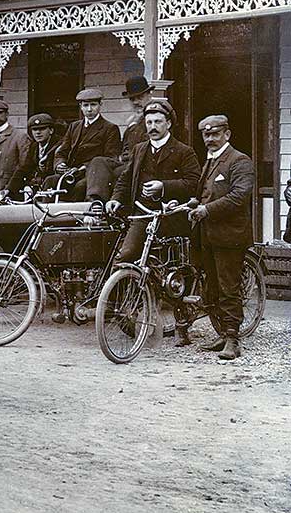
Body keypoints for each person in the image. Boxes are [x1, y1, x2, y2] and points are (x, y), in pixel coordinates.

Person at [107, 100, 200, 320]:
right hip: (144, 215)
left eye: (158, 121)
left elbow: (194, 182)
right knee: (126, 255)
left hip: (172, 216)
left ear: (168, 123)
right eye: (148, 122)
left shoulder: (183, 151)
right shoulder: (140, 149)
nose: (152, 127)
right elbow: (125, 178)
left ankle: (182, 322)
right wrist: (115, 199)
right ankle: (118, 309)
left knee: (178, 269)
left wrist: (164, 186)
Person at [188, 114, 256, 360]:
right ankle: (221, 333)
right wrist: (195, 202)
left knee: (229, 288)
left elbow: (239, 196)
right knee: (213, 288)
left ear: (227, 134)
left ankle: (233, 340)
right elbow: (207, 193)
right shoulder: (210, 162)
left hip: (229, 237)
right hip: (207, 236)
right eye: (206, 135)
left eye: (215, 134)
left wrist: (206, 209)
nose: (210, 139)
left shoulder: (240, 161)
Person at [52, 87, 122, 207]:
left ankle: (80, 217)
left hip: (93, 174)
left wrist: (84, 168)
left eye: (93, 105)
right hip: (71, 172)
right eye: (85, 105)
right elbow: (62, 152)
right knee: (51, 181)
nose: (89, 109)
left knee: (80, 187)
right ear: (81, 106)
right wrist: (60, 164)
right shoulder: (74, 127)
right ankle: (47, 219)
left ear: (100, 105)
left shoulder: (110, 128)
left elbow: (110, 158)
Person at [0, 99, 34, 207]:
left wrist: (10, 188)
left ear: (7, 114)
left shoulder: (19, 136)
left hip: (7, 190)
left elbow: (24, 166)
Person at [27, 113, 59, 191]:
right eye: (34, 129)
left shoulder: (59, 144)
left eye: (42, 129)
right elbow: (25, 167)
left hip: (55, 186)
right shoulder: (33, 146)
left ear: (51, 130)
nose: (38, 132)